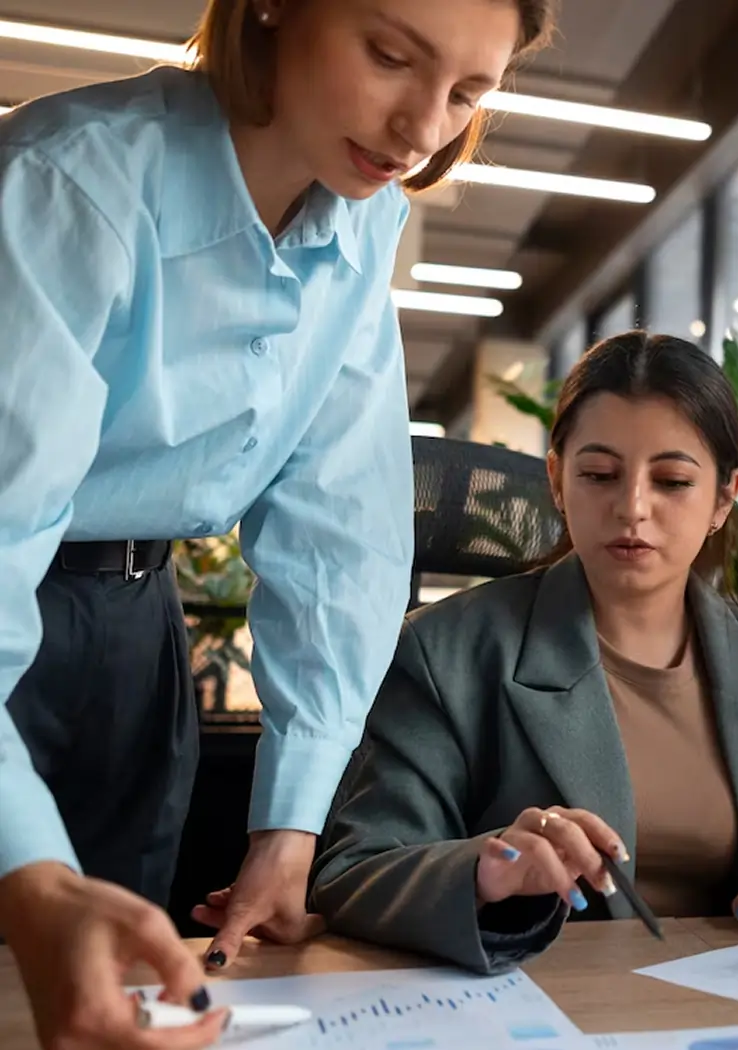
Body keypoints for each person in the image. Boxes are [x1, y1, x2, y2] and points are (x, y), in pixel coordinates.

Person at [0, 1, 553, 1047]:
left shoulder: (363, 214)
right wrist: (23, 872)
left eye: (469, 94)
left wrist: (289, 828)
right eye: (390, 56)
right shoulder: (68, 179)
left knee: (118, 997)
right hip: (17, 597)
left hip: (135, 622)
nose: (423, 129)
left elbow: (340, 525)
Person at [310, 332, 738, 974]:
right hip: (537, 1010)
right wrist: (485, 869)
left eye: (672, 481)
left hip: (737, 1010)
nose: (632, 507)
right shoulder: (445, 653)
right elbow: (355, 871)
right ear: (556, 478)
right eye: (600, 474)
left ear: (724, 497)